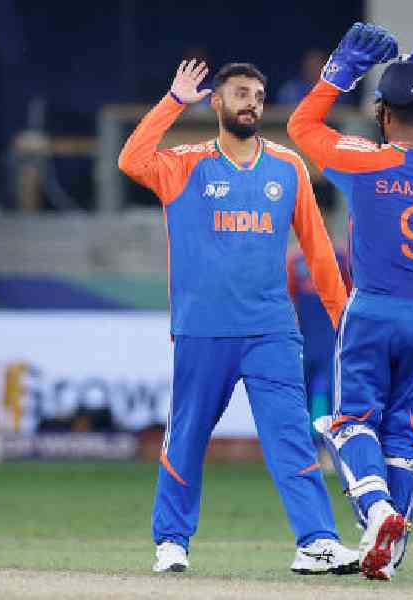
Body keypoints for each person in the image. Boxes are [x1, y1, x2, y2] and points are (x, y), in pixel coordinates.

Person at [118, 59, 359, 575]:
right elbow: (131, 160)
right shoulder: (184, 165)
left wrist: (344, 319)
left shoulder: (287, 166)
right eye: (240, 92)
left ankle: (316, 541)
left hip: (273, 328)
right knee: (187, 434)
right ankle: (172, 541)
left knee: (291, 435)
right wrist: (173, 100)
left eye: (257, 93)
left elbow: (317, 248)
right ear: (217, 103)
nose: (251, 101)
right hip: (203, 329)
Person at [288, 24, 413, 580]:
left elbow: (302, 125)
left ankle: (378, 514)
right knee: (407, 429)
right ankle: (389, 552)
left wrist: (341, 69)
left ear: (383, 115)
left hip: (373, 311)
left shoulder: (362, 161)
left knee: (351, 421)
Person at [286, 228, 351, 449]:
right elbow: (289, 295)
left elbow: (350, 294)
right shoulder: (295, 258)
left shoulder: (341, 255)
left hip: (331, 336)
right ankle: (303, 448)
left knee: (333, 395)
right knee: (300, 392)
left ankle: (332, 448)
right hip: (304, 335)